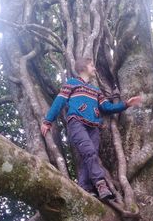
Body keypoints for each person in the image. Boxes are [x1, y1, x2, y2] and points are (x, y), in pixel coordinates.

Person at [41, 58, 141, 200]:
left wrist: (126, 104)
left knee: (90, 154)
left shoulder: (96, 90)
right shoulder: (72, 83)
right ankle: (100, 184)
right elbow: (59, 101)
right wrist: (47, 121)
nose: (94, 68)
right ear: (83, 67)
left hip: (93, 127)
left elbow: (107, 107)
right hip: (76, 123)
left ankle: (85, 187)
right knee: (89, 151)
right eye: (92, 65)